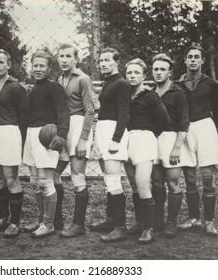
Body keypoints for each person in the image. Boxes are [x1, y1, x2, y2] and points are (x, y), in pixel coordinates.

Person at [21, 49, 69, 238]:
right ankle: (40, 220)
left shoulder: (54, 87)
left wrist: (61, 135)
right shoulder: (32, 89)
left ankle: (49, 224)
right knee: (34, 182)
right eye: (35, 66)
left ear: (50, 69)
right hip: (31, 135)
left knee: (46, 181)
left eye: (42, 66)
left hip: (46, 136)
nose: (38, 69)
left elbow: (63, 113)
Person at [176, 45, 218, 236]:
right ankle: (194, 218)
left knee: (207, 176)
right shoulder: (178, 83)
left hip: (205, 126)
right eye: (190, 57)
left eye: (197, 57)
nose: (193, 60)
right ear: (185, 60)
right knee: (190, 177)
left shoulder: (211, 84)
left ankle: (209, 221)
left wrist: (211, 128)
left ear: (202, 61)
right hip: (186, 129)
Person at [123, 58, 170, 244]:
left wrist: (149, 133)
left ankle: (148, 229)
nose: (132, 76)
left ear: (144, 76)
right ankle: (140, 222)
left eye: (136, 73)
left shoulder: (150, 96)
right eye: (129, 73)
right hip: (127, 139)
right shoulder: (125, 95)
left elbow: (164, 120)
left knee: (143, 183)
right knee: (134, 185)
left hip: (144, 139)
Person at [88, 48, 131, 243]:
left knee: (114, 181)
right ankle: (110, 220)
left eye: (107, 60)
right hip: (103, 131)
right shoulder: (107, 82)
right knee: (108, 180)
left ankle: (120, 227)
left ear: (117, 62)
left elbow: (124, 114)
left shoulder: (121, 84)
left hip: (115, 133)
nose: (103, 64)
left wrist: (116, 139)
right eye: (100, 61)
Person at [52, 43, 95, 237]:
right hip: (63, 127)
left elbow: (90, 110)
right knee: (53, 174)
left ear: (75, 59)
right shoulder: (58, 79)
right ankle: (56, 219)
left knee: (77, 176)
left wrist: (83, 140)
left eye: (68, 56)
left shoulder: (83, 79)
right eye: (61, 56)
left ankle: (79, 225)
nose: (64, 59)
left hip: (78, 126)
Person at [0, 49, 28, 238]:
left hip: (10, 133)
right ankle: (3, 218)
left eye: (1, 62)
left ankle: (15, 222)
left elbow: (24, 117)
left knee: (11, 180)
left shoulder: (16, 87)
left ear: (8, 65)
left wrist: (22, 143)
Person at [151, 53, 191, 238]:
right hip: (153, 139)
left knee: (172, 182)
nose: (158, 73)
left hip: (171, 139)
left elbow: (184, 123)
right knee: (157, 182)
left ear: (170, 72)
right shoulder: (150, 92)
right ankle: (157, 220)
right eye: (155, 69)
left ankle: (171, 222)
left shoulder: (178, 93)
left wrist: (177, 147)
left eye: (162, 69)